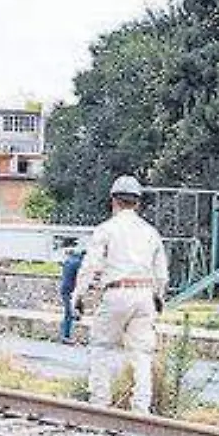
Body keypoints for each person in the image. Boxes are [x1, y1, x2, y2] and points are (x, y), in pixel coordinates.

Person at [73, 175, 168, 414]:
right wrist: (158, 296)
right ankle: (141, 407)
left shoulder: (106, 230)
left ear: (113, 201)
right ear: (138, 203)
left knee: (102, 346)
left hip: (117, 291)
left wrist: (79, 296)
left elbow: (91, 266)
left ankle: (100, 402)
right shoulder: (150, 232)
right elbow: (162, 273)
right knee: (142, 353)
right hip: (145, 293)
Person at [58, 243, 86, 343]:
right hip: (71, 291)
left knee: (72, 311)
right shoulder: (78, 263)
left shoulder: (68, 261)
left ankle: (76, 317)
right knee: (69, 313)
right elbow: (83, 276)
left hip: (66, 289)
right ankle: (65, 336)